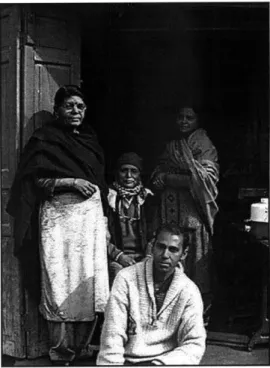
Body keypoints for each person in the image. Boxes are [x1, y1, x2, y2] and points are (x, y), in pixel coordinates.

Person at [6, 85, 110, 365]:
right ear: (57, 110)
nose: (76, 111)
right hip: (59, 220)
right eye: (69, 106)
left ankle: (82, 347)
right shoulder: (45, 139)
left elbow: (100, 182)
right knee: (59, 279)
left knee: (87, 280)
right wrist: (70, 182)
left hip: (89, 221)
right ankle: (60, 350)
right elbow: (34, 182)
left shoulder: (91, 141)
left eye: (80, 107)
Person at [97, 223, 206, 366]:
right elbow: (112, 335)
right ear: (152, 247)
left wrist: (161, 363)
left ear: (183, 254)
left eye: (173, 250)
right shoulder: (126, 278)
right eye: (161, 247)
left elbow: (194, 344)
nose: (165, 255)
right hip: (127, 362)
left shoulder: (189, 291)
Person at [151, 106, 219, 317]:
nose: (183, 121)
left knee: (194, 264)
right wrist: (159, 177)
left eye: (189, 117)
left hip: (192, 215)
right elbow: (158, 172)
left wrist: (170, 178)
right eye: (180, 117)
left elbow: (206, 179)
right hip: (170, 212)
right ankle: (169, 312)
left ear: (198, 120)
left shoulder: (204, 144)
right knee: (168, 258)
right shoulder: (172, 145)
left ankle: (196, 314)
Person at [106, 152, 154, 286]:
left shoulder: (148, 199)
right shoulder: (108, 198)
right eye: (124, 171)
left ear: (140, 175)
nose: (128, 176)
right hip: (117, 258)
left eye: (134, 171)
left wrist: (148, 257)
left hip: (143, 257)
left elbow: (156, 233)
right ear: (117, 173)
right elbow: (99, 235)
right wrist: (119, 256)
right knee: (118, 276)